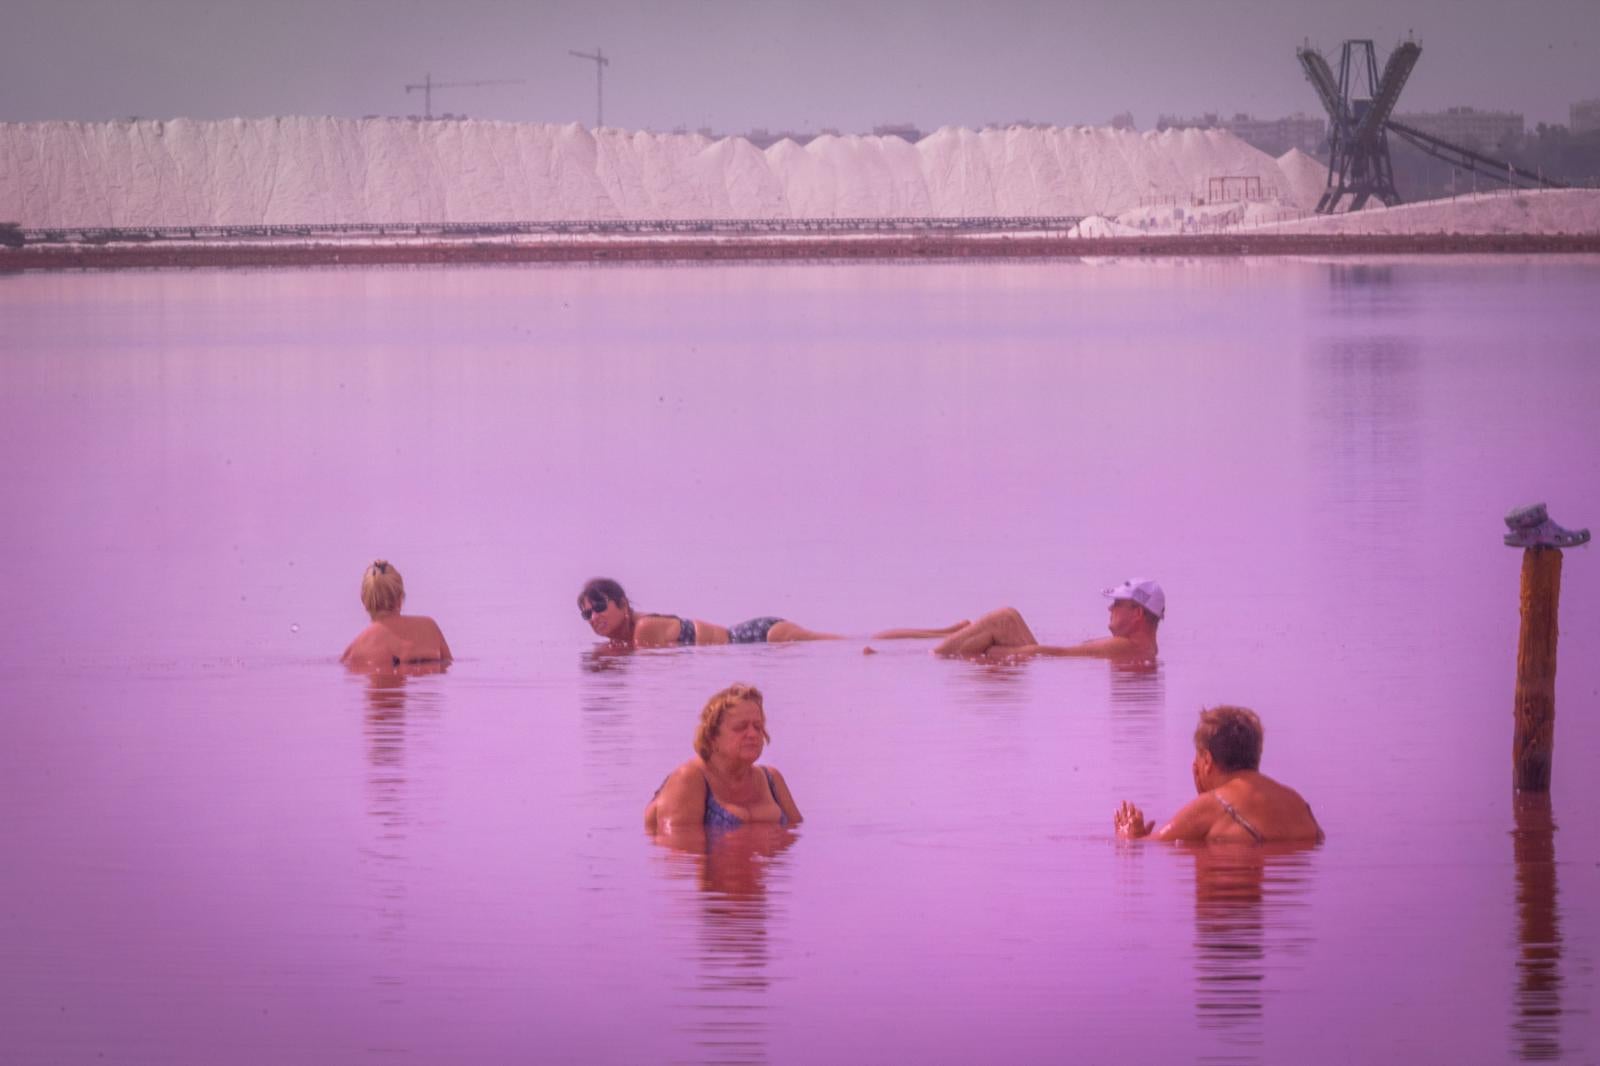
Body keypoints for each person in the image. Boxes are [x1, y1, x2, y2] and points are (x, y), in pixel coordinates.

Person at [1115, 705, 1323, 844]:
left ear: (1207, 760)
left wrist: (1128, 837)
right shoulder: (1298, 803)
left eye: (1197, 757)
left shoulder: (1212, 805)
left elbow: (1147, 846)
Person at [578, 577, 964, 649]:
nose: (594, 617)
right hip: (752, 640)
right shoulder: (627, 639)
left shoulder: (643, 630)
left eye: (599, 606)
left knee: (851, 643)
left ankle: (945, 634)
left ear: (622, 604)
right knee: (850, 642)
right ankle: (945, 631)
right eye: (586, 614)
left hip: (759, 637)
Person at [645, 684, 803, 832]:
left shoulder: (772, 779)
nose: (752, 734)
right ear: (712, 736)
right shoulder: (688, 779)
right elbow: (680, 848)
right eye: (740, 727)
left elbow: (798, 835)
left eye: (758, 727)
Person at [933, 578, 1164, 661]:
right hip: (1039, 662)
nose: (1110, 608)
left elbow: (1056, 654)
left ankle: (936, 653)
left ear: (1138, 614)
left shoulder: (1126, 647)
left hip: (1038, 662)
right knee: (1007, 619)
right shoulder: (1142, 649)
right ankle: (941, 645)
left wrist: (991, 652)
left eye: (1118, 603)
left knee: (1003, 619)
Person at [341, 560, 453, 668]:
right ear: (400, 598)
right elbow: (448, 665)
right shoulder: (429, 627)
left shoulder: (354, 651)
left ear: (364, 601)